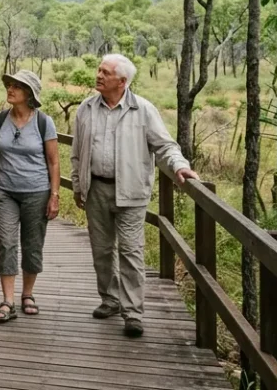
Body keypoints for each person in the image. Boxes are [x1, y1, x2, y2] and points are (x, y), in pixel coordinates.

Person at [72, 53, 200, 338]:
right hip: (96, 189)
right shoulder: (86, 108)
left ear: (122, 81)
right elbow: (77, 152)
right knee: (102, 251)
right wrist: (78, 186)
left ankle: (133, 313)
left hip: (131, 192)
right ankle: (110, 300)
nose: (99, 75)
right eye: (99, 70)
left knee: (130, 252)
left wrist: (180, 167)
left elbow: (165, 146)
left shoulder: (143, 110)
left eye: (105, 72)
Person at [0, 69, 60, 323]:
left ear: (29, 94)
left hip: (37, 191)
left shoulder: (43, 122)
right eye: (9, 85)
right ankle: (8, 301)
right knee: (6, 242)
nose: (10, 89)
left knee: (32, 244)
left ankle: (28, 294)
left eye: (17, 86)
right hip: (3, 190)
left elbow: (54, 162)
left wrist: (54, 195)